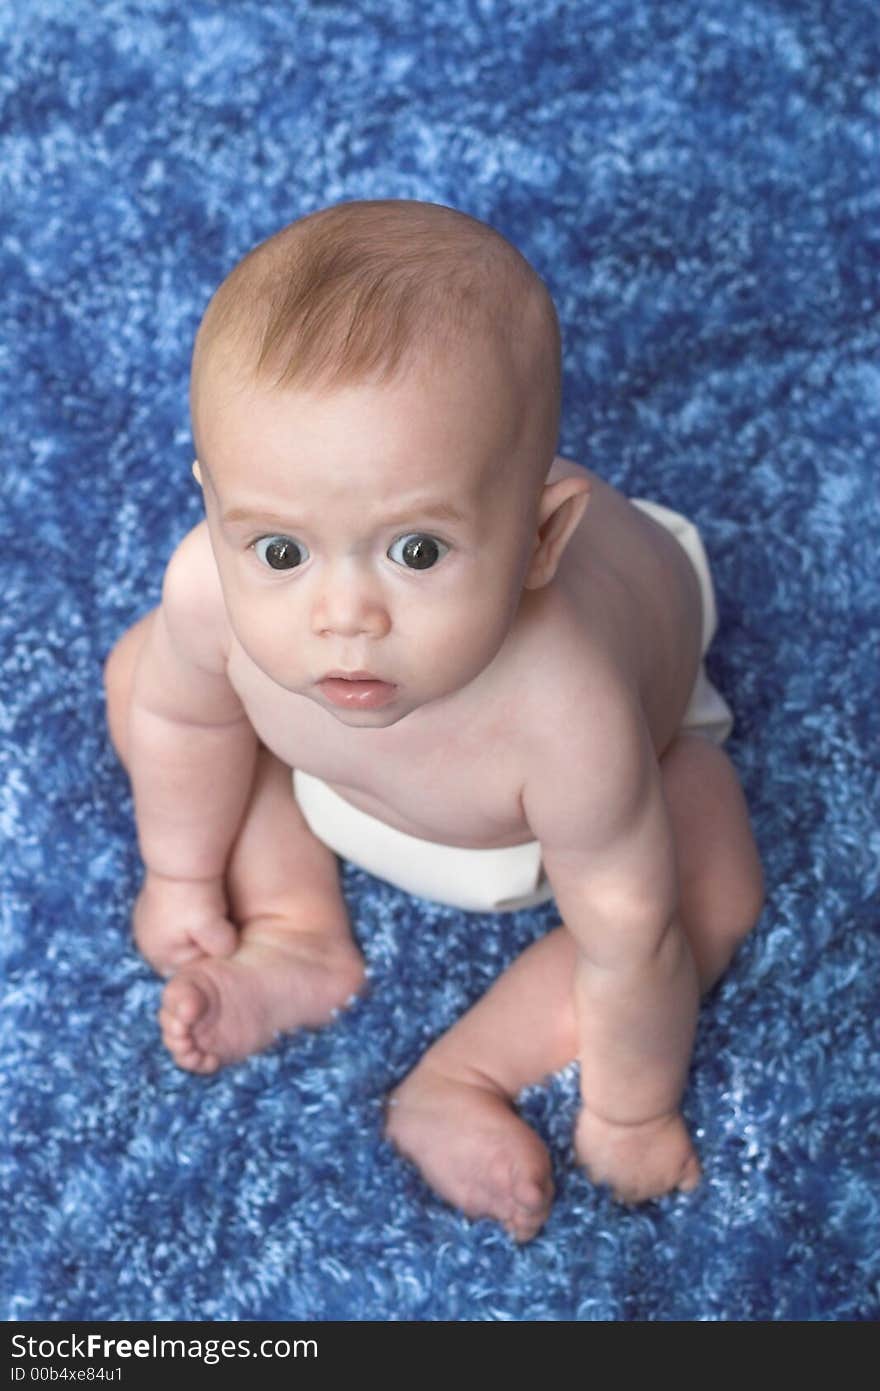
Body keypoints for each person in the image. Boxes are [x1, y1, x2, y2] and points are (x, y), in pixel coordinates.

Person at [104, 199, 764, 1242]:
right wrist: (179, 871)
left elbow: (629, 939)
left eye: (416, 551)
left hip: (536, 826)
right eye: (278, 549)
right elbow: (185, 728)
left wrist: (631, 1104)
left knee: (705, 888)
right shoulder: (211, 593)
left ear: (541, 539)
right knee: (146, 671)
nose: (344, 618)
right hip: (331, 764)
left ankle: (460, 1077)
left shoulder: (569, 713)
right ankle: (295, 932)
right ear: (215, 504)